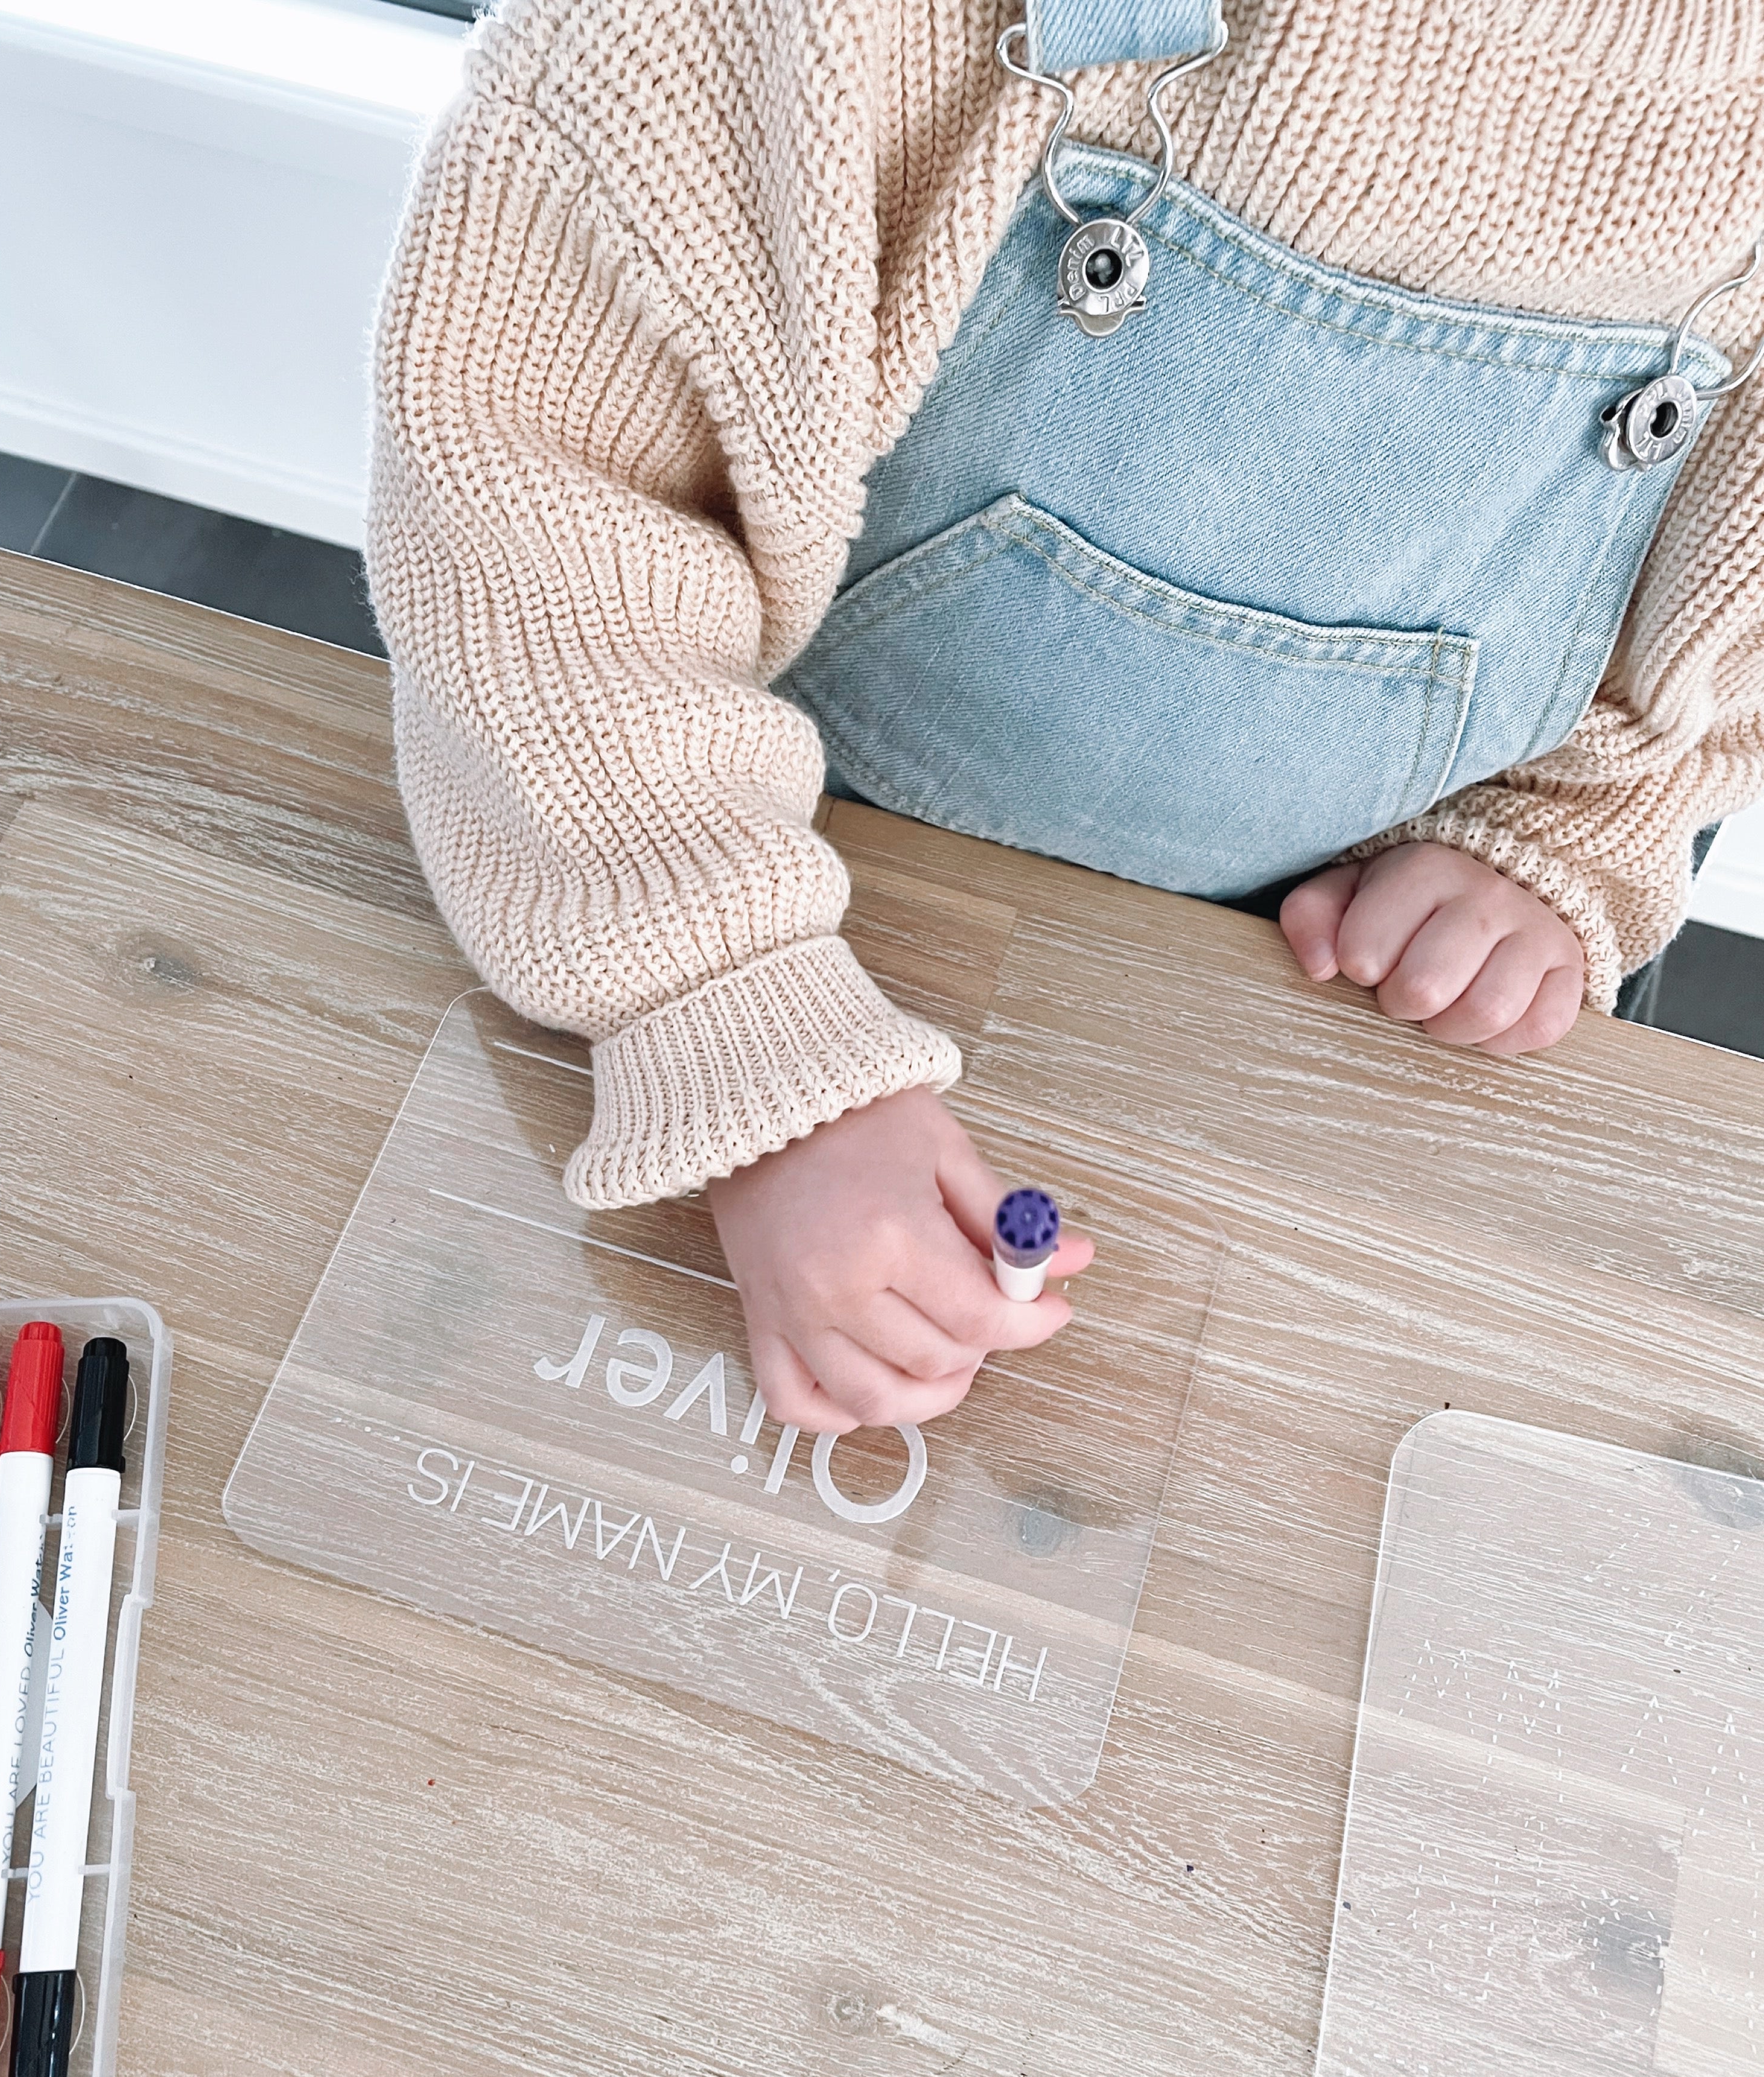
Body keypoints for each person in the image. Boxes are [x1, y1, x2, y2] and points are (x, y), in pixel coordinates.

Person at [367, 0, 1764, 1438]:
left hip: (1316, 1033)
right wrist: (741, 1028)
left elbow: (1732, 628)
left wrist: (1561, 837)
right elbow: (532, 513)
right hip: (727, 889)